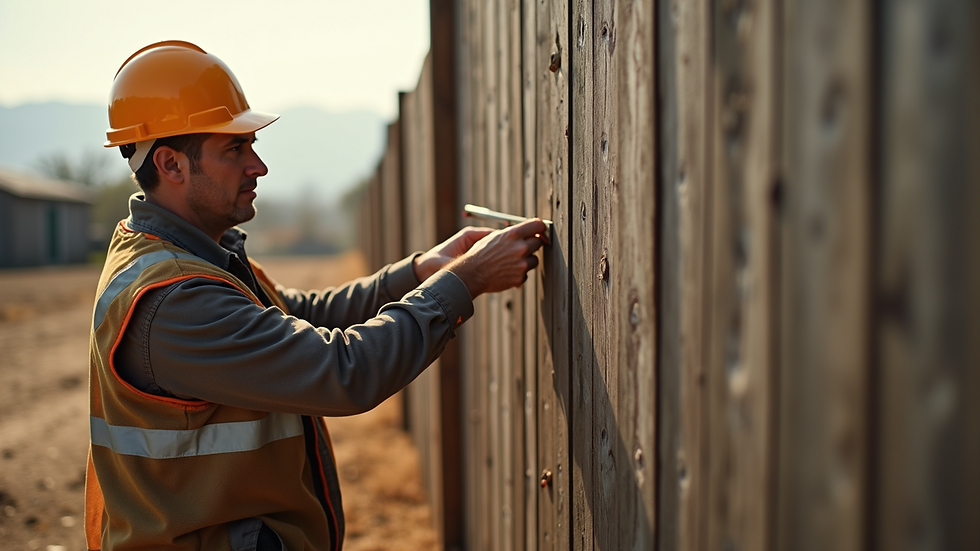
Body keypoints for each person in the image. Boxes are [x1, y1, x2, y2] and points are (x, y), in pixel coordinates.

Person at [85, 40, 548, 551]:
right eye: (235, 149)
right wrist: (465, 282)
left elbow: (294, 317)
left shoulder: (191, 258)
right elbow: (341, 371)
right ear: (171, 165)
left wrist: (418, 273)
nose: (257, 166)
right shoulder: (176, 300)